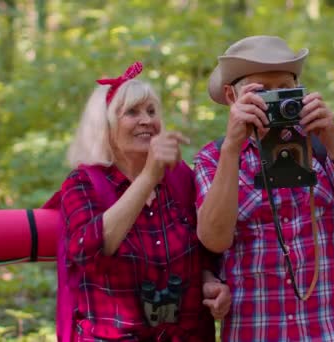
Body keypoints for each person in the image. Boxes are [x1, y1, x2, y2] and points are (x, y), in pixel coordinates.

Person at [194, 36, 334, 341]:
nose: (273, 100)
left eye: (284, 89)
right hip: (258, 329)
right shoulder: (214, 158)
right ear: (231, 96)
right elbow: (214, 240)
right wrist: (232, 148)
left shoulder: (324, 142)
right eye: (260, 91)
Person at [59, 61, 230, 341]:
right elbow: (86, 252)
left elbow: (206, 248)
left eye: (151, 111)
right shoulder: (83, 183)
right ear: (106, 126)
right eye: (132, 112)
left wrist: (211, 282)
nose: (147, 120)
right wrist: (149, 176)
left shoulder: (179, 177)